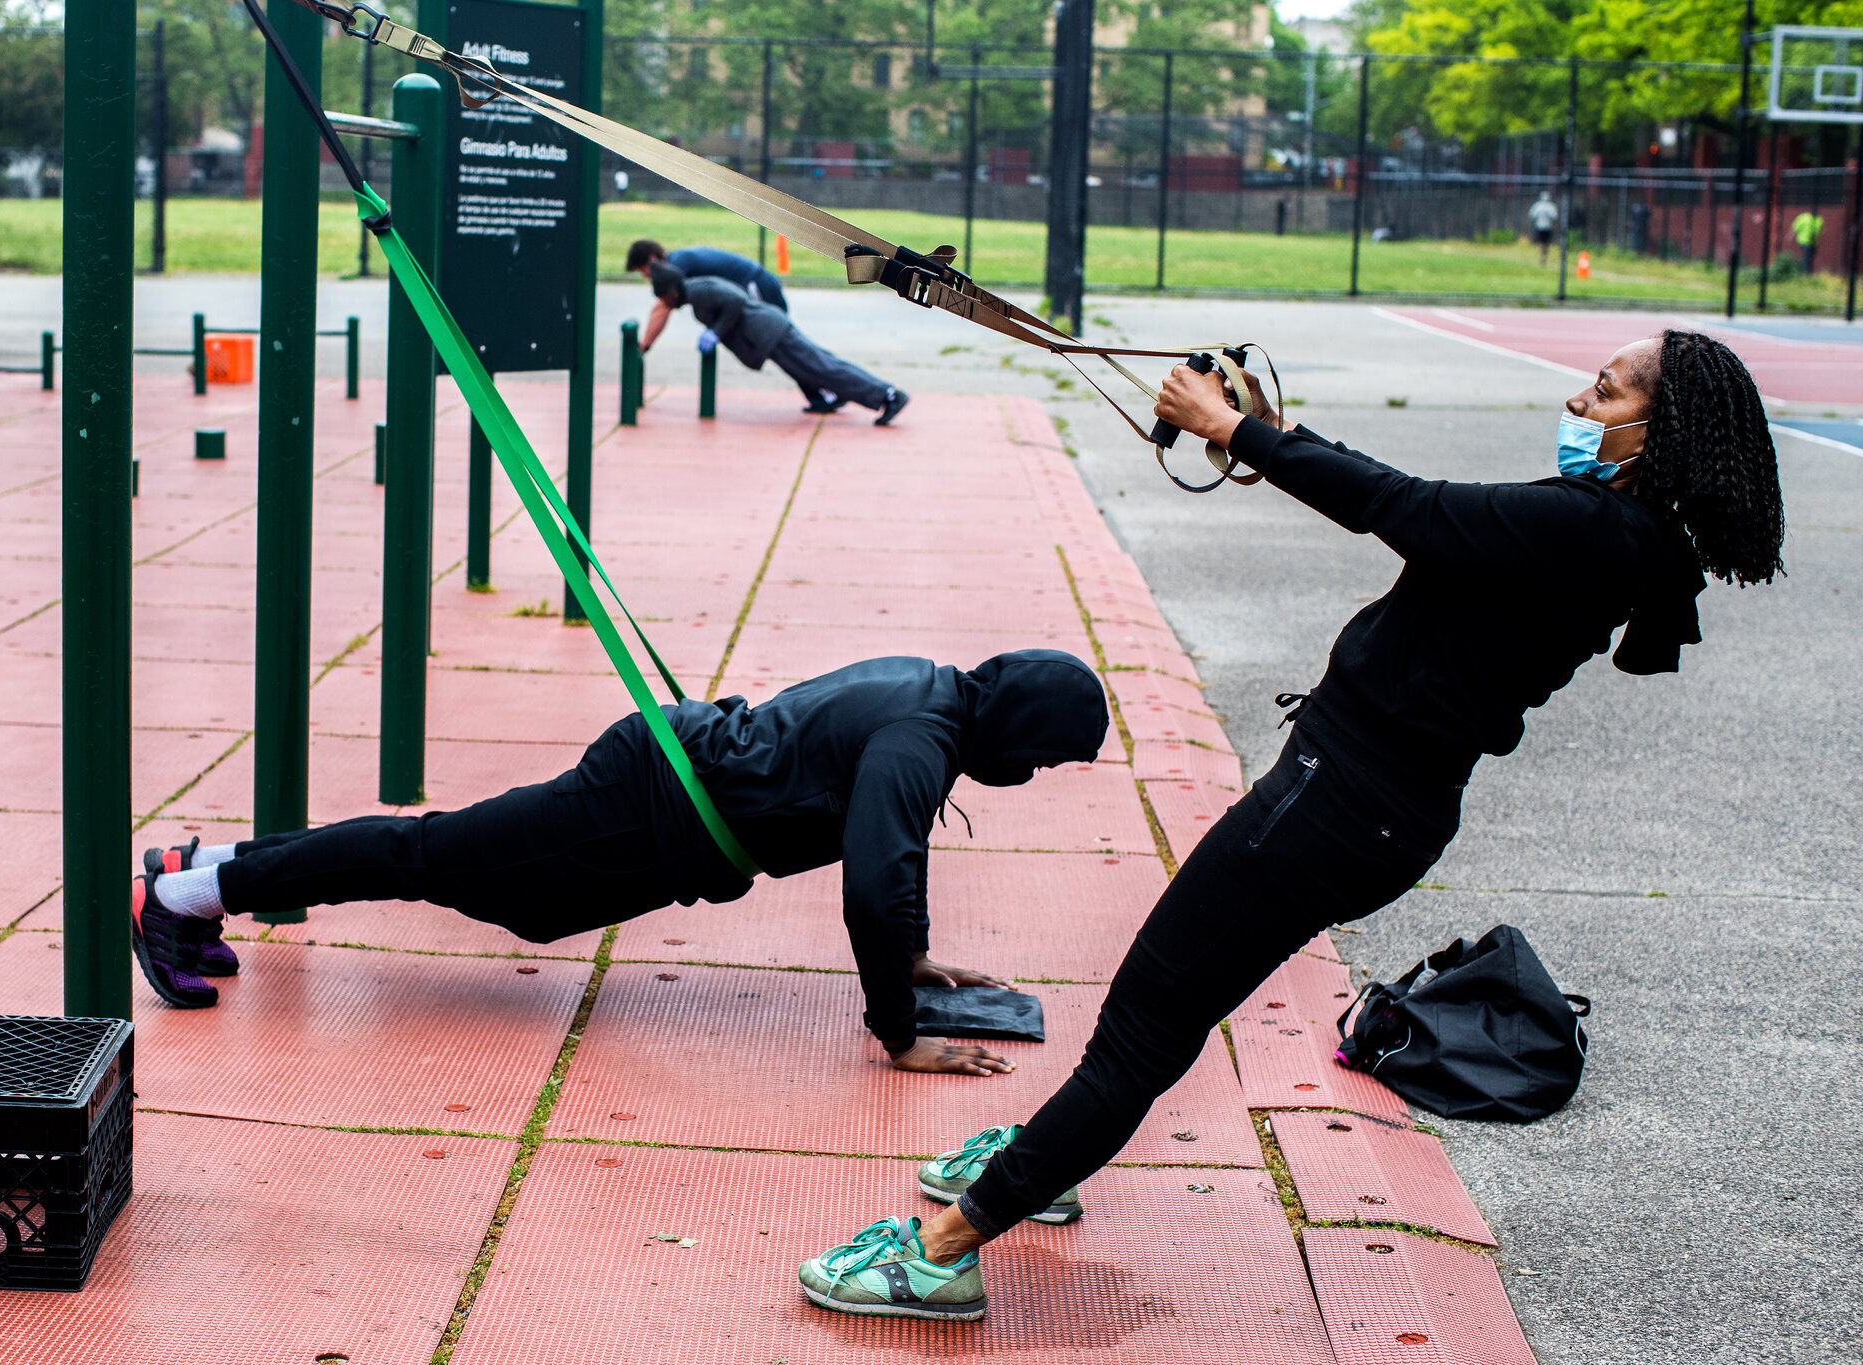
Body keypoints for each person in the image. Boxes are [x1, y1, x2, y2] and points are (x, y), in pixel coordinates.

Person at [798, 329, 1787, 1320]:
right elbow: (1415, 508)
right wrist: (1261, 433)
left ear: (1660, 434)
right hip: (1359, 805)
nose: (1580, 404)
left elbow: (1400, 506)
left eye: (1606, 394)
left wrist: (1236, 433)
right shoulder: (1616, 529)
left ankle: (945, 1248)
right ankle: (1038, 1160)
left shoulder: (1588, 530)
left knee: (1145, 1024)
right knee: (1155, 1010)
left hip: (1338, 808)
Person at [130, 651, 1106, 1074]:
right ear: (1020, 725)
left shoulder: (933, 695)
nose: (1028, 771)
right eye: (1043, 753)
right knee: (427, 854)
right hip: (640, 806)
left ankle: (208, 871)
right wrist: (898, 1030)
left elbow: (892, 857)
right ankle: (182, 889)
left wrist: (916, 957)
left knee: (466, 876)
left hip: (659, 803)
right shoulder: (917, 738)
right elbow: (875, 879)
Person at [647, 261, 909, 424]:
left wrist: (715, 331)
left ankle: (888, 396)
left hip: (771, 331)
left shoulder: (698, 290)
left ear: (671, 291)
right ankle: (859, 397)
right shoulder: (694, 294)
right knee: (819, 369)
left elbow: (736, 300)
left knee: (824, 368)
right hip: (769, 337)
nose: (665, 304)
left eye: (663, 298)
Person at [628, 238, 787, 352]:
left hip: (756, 283)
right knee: (779, 344)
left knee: (780, 339)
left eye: (643, 270)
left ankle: (810, 380)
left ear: (652, 259)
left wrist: (644, 346)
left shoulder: (676, 265)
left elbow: (662, 308)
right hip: (753, 284)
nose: (645, 276)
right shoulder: (678, 259)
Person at [1529, 190, 1560, 264]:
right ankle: (1543, 254)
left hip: (1546, 227)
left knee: (1544, 242)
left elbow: (1554, 216)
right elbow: (1532, 215)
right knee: (1543, 242)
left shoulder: (1542, 206)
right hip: (1541, 227)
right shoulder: (1540, 205)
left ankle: (1543, 254)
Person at [1793, 209, 1824, 274]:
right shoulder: (1804, 218)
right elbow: (1795, 228)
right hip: (1804, 241)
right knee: (1806, 258)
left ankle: (1807, 272)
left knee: (1810, 258)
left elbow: (1820, 231)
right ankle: (1805, 273)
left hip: (1813, 242)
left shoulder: (1818, 219)